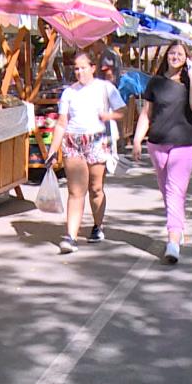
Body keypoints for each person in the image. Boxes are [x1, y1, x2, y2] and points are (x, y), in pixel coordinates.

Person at [132, 42, 192, 265]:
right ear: (166, 56)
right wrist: (137, 139)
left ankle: (172, 241)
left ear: (187, 58)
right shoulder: (156, 83)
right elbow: (147, 113)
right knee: (168, 191)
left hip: (185, 143)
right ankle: (178, 227)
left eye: (180, 54)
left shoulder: (190, 81)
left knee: (174, 190)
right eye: (172, 53)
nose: (175, 57)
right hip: (157, 143)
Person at [46, 51, 126, 254]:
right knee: (75, 191)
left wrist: (108, 115)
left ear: (93, 68)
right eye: (76, 68)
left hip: (97, 140)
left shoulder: (105, 88)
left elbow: (123, 112)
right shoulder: (69, 92)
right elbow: (62, 123)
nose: (79, 72)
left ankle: (98, 226)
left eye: (83, 67)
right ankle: (71, 237)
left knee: (96, 188)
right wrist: (53, 149)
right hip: (73, 141)